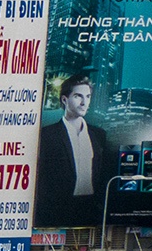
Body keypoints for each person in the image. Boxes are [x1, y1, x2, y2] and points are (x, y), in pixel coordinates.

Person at [35, 72, 115, 227]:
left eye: (88, 96)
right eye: (78, 96)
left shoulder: (98, 135)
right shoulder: (47, 135)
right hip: (57, 213)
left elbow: (105, 175)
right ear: (65, 99)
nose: (84, 102)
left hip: (91, 211)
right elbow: (42, 178)